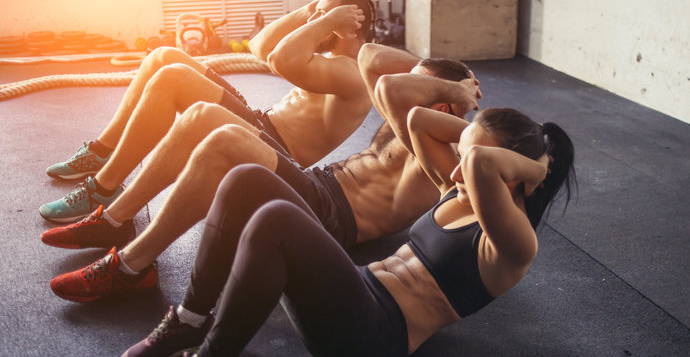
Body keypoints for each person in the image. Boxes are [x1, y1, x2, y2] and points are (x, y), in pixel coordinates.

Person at [122, 104, 576, 357]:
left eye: (470, 157)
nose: (456, 168)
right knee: (246, 179)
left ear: (513, 175)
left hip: (371, 337)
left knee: (277, 218)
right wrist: (477, 137)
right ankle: (190, 318)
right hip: (354, 290)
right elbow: (415, 118)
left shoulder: (514, 245)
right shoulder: (456, 191)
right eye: (459, 152)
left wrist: (537, 166)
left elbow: (478, 166)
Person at [46, 45, 481, 303]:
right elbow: (371, 57)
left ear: (442, 104)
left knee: (223, 136)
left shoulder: (439, 145)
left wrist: (455, 92)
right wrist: (442, 77)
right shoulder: (417, 115)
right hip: (318, 186)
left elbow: (388, 85)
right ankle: (114, 220)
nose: (408, 81)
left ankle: (131, 266)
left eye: (423, 86)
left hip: (330, 218)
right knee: (203, 116)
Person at [39, 0, 375, 223]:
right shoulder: (332, 58)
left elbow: (281, 59)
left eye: (323, 15)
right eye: (316, 14)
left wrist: (325, 20)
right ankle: (102, 150)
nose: (314, 20)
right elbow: (259, 46)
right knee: (164, 56)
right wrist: (311, 11)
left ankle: (103, 188)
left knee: (172, 79)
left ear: (350, 22)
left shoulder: (352, 71)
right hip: (258, 122)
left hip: (273, 149)